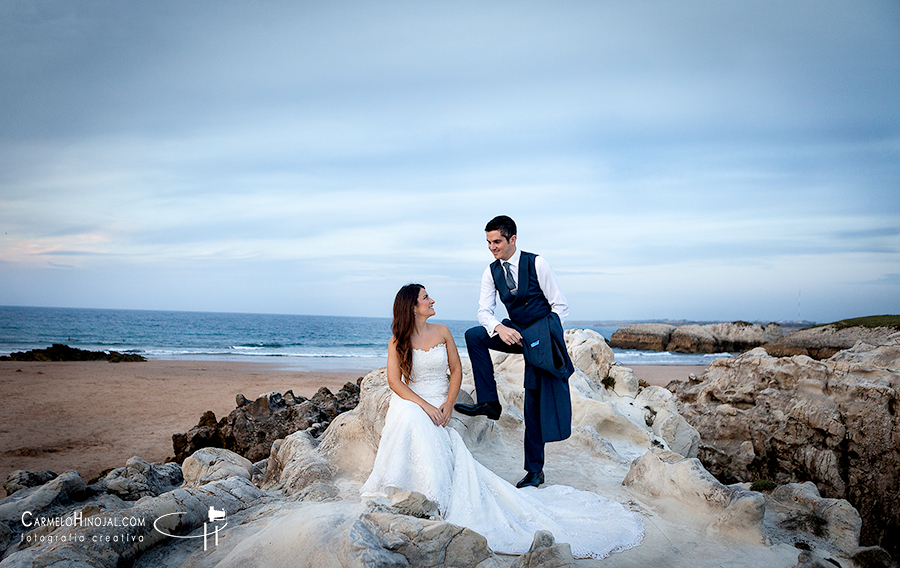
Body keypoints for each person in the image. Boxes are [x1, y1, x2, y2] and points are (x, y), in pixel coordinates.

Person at [360, 284, 644, 558]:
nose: (432, 300)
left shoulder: (443, 331)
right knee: (412, 415)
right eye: (426, 297)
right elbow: (395, 383)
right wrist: (424, 406)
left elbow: (457, 370)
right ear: (412, 307)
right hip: (412, 399)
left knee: (430, 425)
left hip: (438, 400)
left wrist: (447, 405)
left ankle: (430, 496)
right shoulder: (398, 340)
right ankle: (415, 489)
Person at [455, 215, 573, 489]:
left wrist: (545, 339)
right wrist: (499, 327)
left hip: (541, 337)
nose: (492, 247)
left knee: (533, 403)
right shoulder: (491, 271)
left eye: (497, 241)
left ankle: (535, 471)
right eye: (488, 242)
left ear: (512, 239)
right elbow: (484, 311)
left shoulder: (537, 263)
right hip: (514, 332)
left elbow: (560, 306)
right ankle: (489, 402)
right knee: (475, 335)